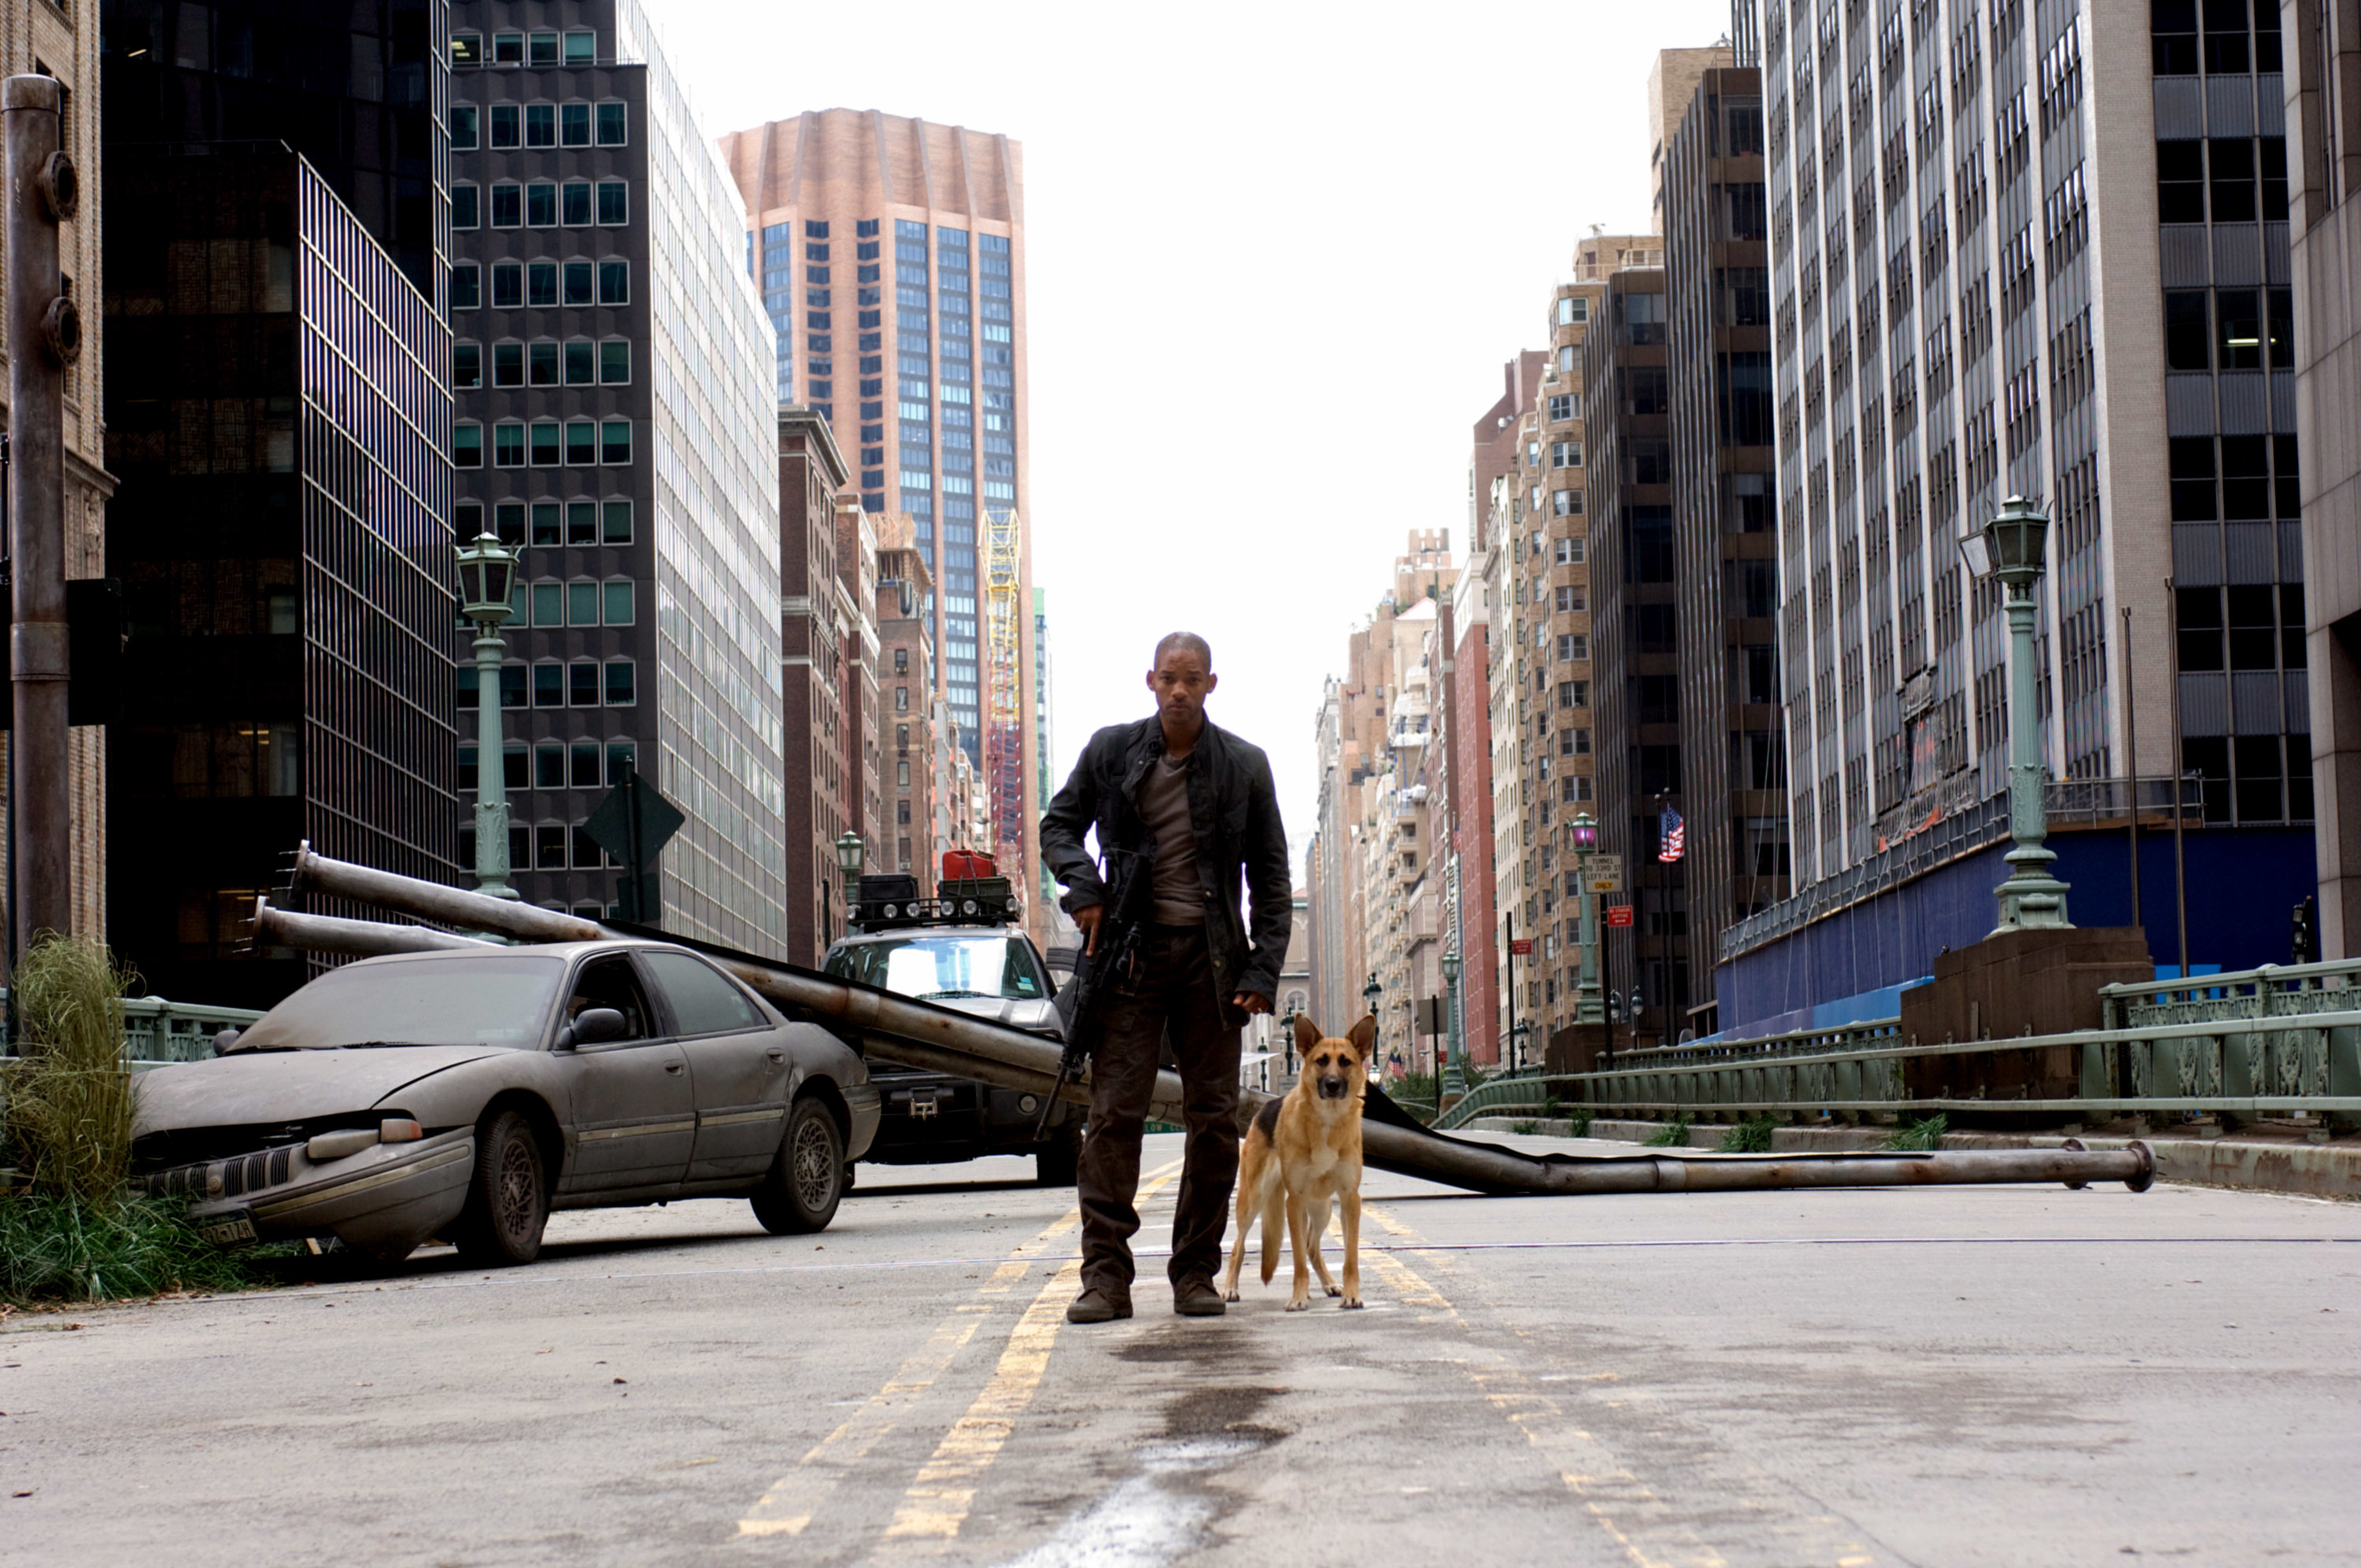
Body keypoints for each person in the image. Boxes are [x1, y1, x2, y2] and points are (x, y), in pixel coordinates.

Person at [1040, 631, 1293, 1321]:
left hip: (1213, 965)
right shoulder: (1112, 751)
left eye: (1192, 679)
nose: (1179, 690)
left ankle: (1195, 1273)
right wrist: (1084, 885)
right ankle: (1105, 1279)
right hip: (1130, 956)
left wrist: (1261, 970)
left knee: (1212, 1120)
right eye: (1168, 678)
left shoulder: (1245, 766)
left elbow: (1271, 880)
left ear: (1212, 684)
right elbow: (1058, 825)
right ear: (1150, 681)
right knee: (1113, 1115)